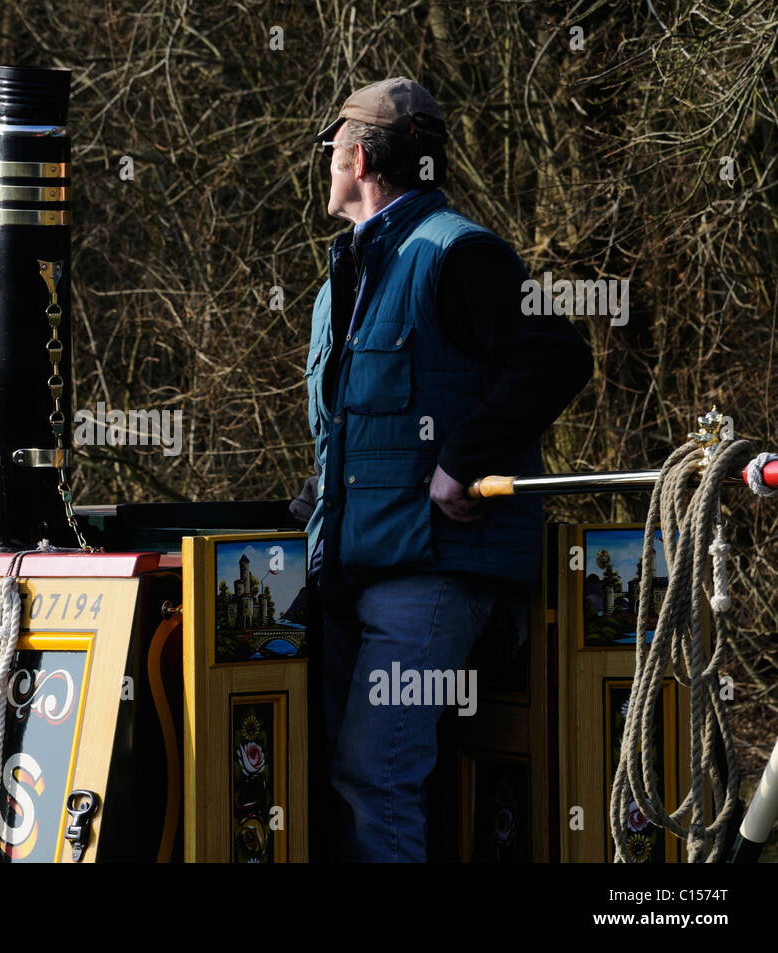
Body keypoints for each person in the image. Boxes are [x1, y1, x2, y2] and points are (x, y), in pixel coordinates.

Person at [299, 77, 591, 861]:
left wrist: (461, 461)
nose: (325, 169)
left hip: (430, 575)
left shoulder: (460, 253)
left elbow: (556, 355)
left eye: (330, 155)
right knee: (333, 782)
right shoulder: (348, 279)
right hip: (350, 573)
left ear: (358, 158)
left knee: (375, 772)